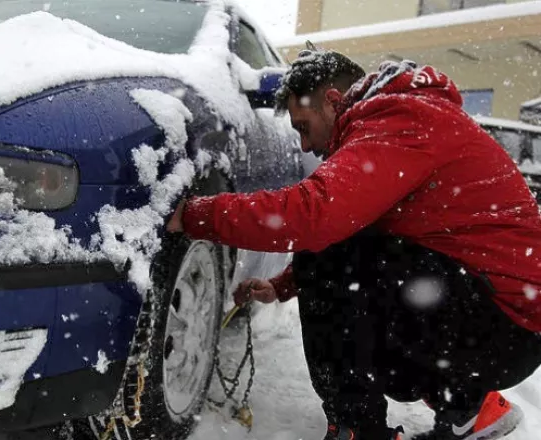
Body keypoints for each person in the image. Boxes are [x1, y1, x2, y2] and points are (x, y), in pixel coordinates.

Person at [166, 48, 541, 440]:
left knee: (326, 247)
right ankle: (470, 408)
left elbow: (315, 218)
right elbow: (362, 232)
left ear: (332, 101)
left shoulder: (400, 118)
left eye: (304, 126)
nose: (305, 145)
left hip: (503, 324)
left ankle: (359, 429)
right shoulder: (409, 115)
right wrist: (281, 285)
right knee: (339, 248)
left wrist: (195, 215)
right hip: (504, 318)